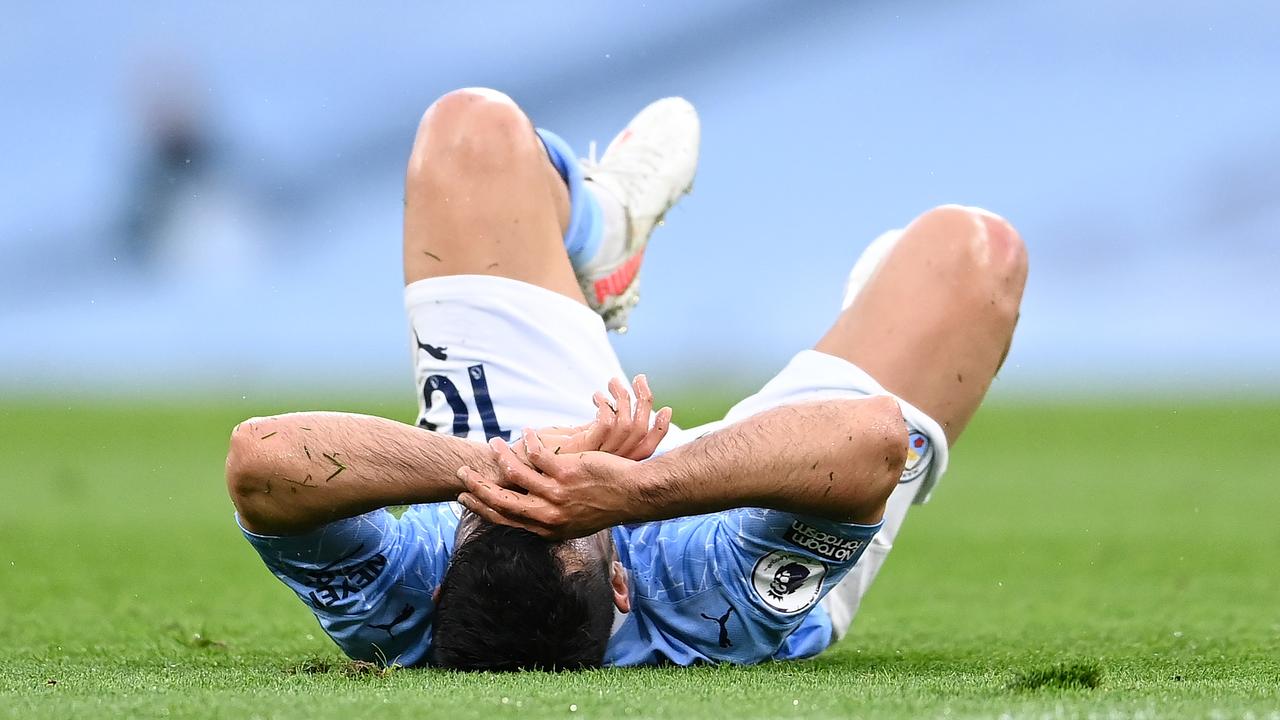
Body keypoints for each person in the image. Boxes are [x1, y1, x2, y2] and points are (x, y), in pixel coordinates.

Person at [225, 88, 1027, 670]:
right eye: (556, 508)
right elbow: (868, 442)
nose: (549, 484)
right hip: (755, 509)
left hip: (529, 434)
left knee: (470, 129)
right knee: (977, 255)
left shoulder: (395, 609)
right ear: (619, 584)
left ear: (435, 592)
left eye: (500, 514)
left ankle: (597, 239)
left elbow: (261, 461)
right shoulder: (708, 597)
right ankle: (877, 323)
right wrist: (641, 490)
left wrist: (504, 467)